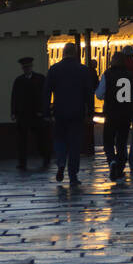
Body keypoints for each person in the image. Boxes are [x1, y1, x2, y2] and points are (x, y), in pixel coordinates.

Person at [44, 43, 95, 186]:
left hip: (59, 112)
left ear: (63, 53)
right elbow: (89, 93)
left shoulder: (54, 70)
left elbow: (46, 92)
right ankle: (73, 176)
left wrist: (47, 112)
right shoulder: (83, 70)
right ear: (76, 53)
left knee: (59, 139)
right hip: (77, 113)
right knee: (75, 144)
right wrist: (90, 112)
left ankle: (61, 163)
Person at [97, 50, 133, 182]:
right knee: (121, 141)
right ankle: (120, 168)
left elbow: (99, 94)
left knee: (108, 140)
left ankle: (111, 160)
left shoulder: (107, 74)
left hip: (111, 113)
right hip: (126, 113)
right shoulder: (131, 76)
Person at [10, 56, 50, 170]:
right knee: (22, 140)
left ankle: (46, 158)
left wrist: (44, 111)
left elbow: (45, 96)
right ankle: (22, 162)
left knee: (41, 139)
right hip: (23, 115)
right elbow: (14, 97)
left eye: (28, 67)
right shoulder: (19, 80)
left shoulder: (40, 79)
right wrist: (13, 112)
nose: (26, 69)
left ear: (31, 67)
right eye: (24, 67)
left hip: (37, 114)